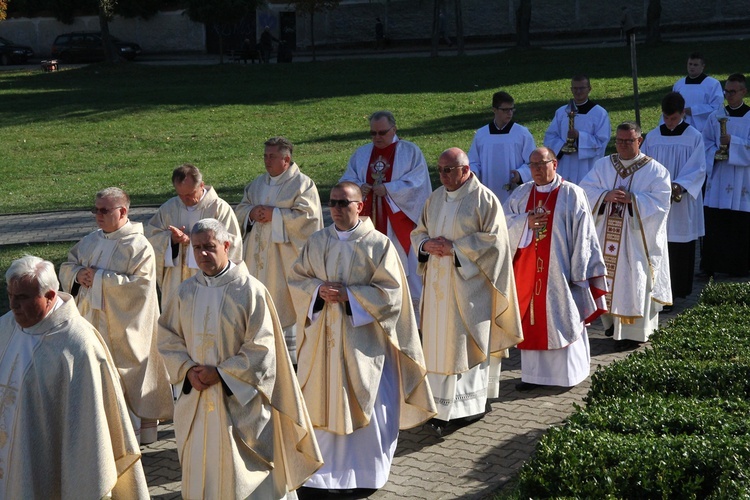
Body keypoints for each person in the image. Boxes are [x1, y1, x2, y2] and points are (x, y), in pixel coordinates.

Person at [158, 218, 323, 499]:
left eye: (209, 247)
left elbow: (263, 348)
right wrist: (187, 371)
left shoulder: (250, 290)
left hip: (240, 402)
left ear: (226, 245)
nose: (202, 254)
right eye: (196, 248)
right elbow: (168, 338)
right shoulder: (185, 291)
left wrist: (221, 373)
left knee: (245, 475)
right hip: (197, 397)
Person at [289, 182, 436, 492]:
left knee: (370, 405)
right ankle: (319, 476)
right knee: (319, 403)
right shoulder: (316, 242)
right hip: (322, 345)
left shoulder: (378, 245)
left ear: (360, 206)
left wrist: (350, 296)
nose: (337, 208)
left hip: (365, 347)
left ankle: (366, 476)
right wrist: (317, 291)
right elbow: (297, 280)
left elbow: (393, 295)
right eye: (333, 202)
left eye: (345, 202)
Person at [2, 255, 149, 498]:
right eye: (10, 295)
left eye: (22, 298)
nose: (13, 305)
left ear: (50, 296)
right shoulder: (6, 327)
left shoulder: (78, 345)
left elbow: (89, 430)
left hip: (48, 462)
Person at [412, 148, 523, 430]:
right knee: (437, 345)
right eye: (439, 170)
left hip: (469, 289)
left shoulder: (483, 198)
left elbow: (496, 242)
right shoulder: (435, 198)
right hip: (438, 287)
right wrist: (426, 246)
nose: (442, 176)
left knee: (462, 344)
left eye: (448, 170)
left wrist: (456, 249)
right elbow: (419, 231)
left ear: (465, 169)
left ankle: (469, 406)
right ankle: (438, 405)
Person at [59, 187, 173, 444]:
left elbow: (141, 287)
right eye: (95, 210)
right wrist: (78, 275)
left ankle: (129, 439)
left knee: (124, 375)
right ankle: (98, 434)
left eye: (104, 210)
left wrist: (97, 278)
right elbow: (68, 264)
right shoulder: (91, 240)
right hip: (91, 323)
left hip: (124, 327)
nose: (97, 215)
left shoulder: (138, 245)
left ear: (122, 212)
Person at [504, 147, 607, 390]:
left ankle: (568, 376)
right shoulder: (521, 194)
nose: (537, 170)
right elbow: (501, 224)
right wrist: (524, 223)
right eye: (532, 165)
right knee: (531, 321)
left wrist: (579, 272)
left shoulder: (572, 194)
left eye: (542, 164)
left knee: (565, 318)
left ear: (555, 164)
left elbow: (585, 236)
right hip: (528, 273)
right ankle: (532, 377)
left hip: (562, 273)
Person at [579, 122, 672, 343]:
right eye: (619, 140)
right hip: (605, 237)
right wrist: (604, 196)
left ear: (639, 141)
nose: (622, 145)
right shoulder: (603, 165)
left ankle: (635, 334)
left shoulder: (655, 170)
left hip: (636, 241)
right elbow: (584, 191)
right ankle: (610, 325)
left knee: (635, 279)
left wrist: (634, 199)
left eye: (628, 141)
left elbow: (661, 202)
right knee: (606, 277)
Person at [235, 136, 323, 364]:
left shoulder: (303, 184)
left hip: (284, 262)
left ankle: (289, 360)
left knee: (283, 304)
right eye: (265, 156)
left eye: (272, 156)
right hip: (256, 260)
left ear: (287, 159)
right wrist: (252, 214)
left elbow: (309, 220)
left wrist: (275, 215)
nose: (267, 161)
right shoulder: (257, 184)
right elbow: (241, 211)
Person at [340, 110, 432, 315]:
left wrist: (390, 189)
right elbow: (346, 181)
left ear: (394, 129)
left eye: (382, 132)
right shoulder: (362, 154)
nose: (377, 138)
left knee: (405, 272)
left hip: (399, 225)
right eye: (373, 133)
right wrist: (359, 187)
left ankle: (412, 320)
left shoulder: (410, 152)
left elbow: (418, 185)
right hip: (369, 224)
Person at [146, 163, 242, 307]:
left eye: (190, 194)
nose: (186, 200)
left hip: (208, 278)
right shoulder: (169, 208)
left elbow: (231, 243)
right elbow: (151, 238)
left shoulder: (219, 208)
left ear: (201, 185)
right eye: (181, 195)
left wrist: (192, 240)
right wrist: (171, 240)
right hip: (175, 279)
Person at [642, 92, 706, 298]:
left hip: (681, 202)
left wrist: (679, 186)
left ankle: (680, 290)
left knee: (680, 246)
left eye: (674, 118)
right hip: (658, 200)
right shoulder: (652, 137)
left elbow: (698, 168)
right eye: (667, 118)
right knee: (659, 245)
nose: (670, 123)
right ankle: (658, 291)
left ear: (682, 114)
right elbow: (644, 165)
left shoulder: (694, 136)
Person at [702, 73, 750, 277]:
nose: (728, 95)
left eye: (733, 91)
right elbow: (704, 143)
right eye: (726, 91)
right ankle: (711, 266)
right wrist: (715, 153)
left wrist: (733, 142)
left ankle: (739, 266)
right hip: (720, 176)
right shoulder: (715, 116)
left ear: (744, 92)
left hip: (742, 179)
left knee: (739, 224)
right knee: (716, 222)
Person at [468, 91, 536, 203]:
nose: (509, 113)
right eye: (505, 110)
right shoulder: (482, 134)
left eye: (512, 109)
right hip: (488, 190)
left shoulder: (522, 133)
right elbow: (474, 162)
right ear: (494, 110)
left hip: (515, 192)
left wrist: (520, 174)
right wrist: (473, 172)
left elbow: (532, 161)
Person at [543, 75, 611, 184]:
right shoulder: (561, 112)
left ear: (589, 89)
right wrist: (563, 147)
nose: (578, 92)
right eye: (575, 88)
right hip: (565, 163)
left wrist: (580, 137)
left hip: (587, 166)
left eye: (582, 88)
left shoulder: (599, 113)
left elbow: (602, 141)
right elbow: (550, 136)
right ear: (571, 89)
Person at [671, 52, 724, 132]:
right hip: (681, 126)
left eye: (695, 65)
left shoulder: (712, 84)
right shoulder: (679, 84)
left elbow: (716, 107)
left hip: (704, 128)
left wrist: (692, 110)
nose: (692, 67)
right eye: (690, 64)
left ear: (703, 66)